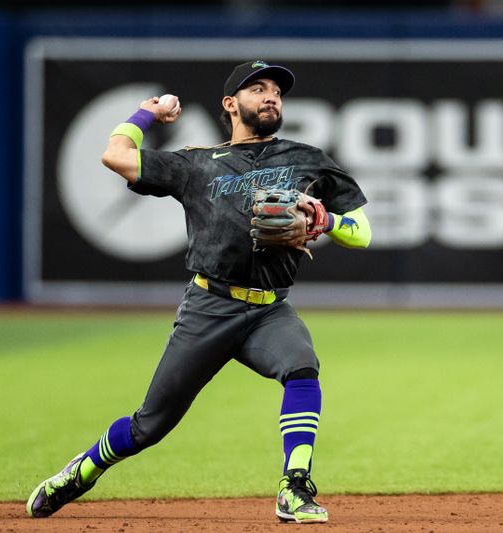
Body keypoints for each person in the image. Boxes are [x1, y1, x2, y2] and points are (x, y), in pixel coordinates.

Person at [26, 60, 372, 524]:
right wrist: (146, 114)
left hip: (270, 309)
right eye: (257, 89)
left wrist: (326, 221)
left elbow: (363, 232)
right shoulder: (196, 164)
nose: (271, 96)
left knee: (301, 368)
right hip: (209, 307)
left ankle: (294, 486)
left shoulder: (308, 160)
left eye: (276, 91)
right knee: (149, 426)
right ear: (231, 104)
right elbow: (115, 155)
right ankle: (83, 470)